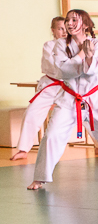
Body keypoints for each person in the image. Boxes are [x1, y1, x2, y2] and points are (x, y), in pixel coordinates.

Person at [27, 9, 98, 190]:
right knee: (51, 136)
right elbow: (63, 70)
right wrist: (82, 55)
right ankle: (40, 178)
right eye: (68, 20)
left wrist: (88, 56)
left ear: (86, 24)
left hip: (96, 98)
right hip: (69, 98)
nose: (69, 23)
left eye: (74, 20)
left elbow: (93, 70)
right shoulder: (60, 45)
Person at [10, 17, 68, 161]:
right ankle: (23, 149)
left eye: (66, 28)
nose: (64, 32)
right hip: (51, 85)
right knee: (31, 112)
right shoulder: (49, 46)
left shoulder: (75, 45)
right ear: (53, 30)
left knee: (87, 112)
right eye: (60, 28)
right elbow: (55, 66)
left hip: (69, 86)